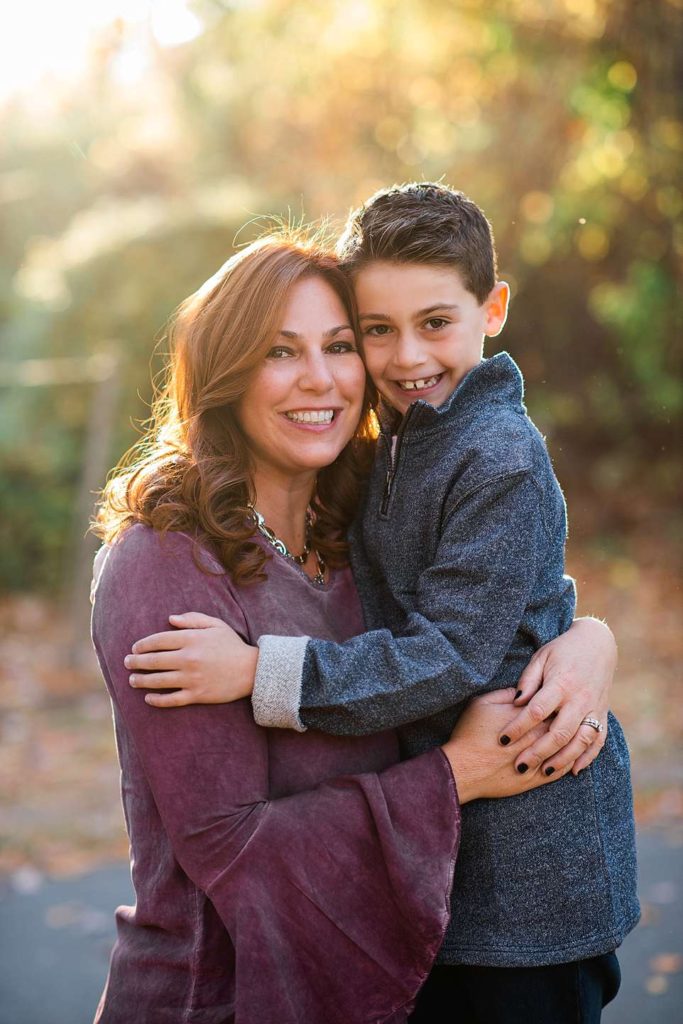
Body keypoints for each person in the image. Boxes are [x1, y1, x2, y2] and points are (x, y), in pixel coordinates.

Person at [128, 186, 639, 1024]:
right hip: (441, 886)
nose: (405, 358)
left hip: (527, 887)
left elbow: (450, 652)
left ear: (494, 307)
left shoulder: (497, 456)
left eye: (435, 323)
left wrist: (261, 671)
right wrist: (589, 629)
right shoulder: (396, 444)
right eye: (375, 330)